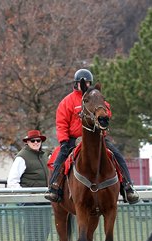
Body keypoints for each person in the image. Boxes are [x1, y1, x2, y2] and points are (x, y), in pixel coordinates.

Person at [44, 68, 139, 204]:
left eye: (89, 83)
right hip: (74, 139)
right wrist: (64, 141)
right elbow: (61, 123)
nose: (86, 85)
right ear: (76, 84)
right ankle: (54, 187)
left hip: (98, 137)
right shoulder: (67, 102)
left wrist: (103, 114)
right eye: (83, 83)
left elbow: (107, 112)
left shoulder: (96, 97)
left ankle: (128, 187)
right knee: (60, 157)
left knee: (117, 155)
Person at [7, 129, 51, 241]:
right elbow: (12, 182)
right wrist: (25, 199)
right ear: (27, 142)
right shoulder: (21, 157)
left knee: (44, 232)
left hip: (44, 201)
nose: (36, 143)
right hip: (30, 202)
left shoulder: (44, 157)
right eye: (33, 140)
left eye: (38, 140)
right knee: (32, 234)